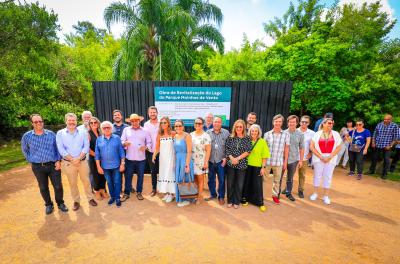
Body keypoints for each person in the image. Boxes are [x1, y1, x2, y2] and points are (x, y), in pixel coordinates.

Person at [21, 114, 68, 215]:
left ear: (43, 122)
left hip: (53, 165)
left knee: (58, 186)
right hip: (38, 167)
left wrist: (58, 161)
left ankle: (60, 203)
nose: (38, 123)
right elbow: (25, 150)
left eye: (40, 121)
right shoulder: (27, 136)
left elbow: (57, 148)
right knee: (43, 187)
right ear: (32, 123)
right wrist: (31, 160)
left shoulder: (51, 134)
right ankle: (48, 204)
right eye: (36, 122)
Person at [56, 113, 97, 211]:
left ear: (76, 121)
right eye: (69, 120)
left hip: (82, 162)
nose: (71, 122)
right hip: (69, 163)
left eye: (73, 120)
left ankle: (90, 198)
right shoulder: (60, 133)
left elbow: (86, 146)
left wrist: (78, 158)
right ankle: (76, 201)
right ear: (66, 121)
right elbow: (61, 149)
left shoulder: (83, 132)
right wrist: (72, 159)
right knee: (72, 183)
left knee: (87, 181)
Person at [309, 118, 342, 205]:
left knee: (328, 176)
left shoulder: (336, 134)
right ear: (323, 124)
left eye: (332, 123)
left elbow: (339, 147)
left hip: (330, 159)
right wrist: (320, 156)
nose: (331, 125)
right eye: (329, 123)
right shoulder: (317, 134)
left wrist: (330, 157)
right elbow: (312, 146)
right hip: (318, 158)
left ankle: (326, 196)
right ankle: (315, 193)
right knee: (317, 175)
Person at [120, 113, 152, 201]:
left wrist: (145, 147)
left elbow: (149, 142)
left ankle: (139, 192)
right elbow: (122, 140)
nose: (134, 122)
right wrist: (124, 143)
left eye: (136, 121)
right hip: (129, 158)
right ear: (130, 122)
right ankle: (126, 193)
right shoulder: (126, 130)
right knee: (128, 176)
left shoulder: (145, 131)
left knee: (140, 176)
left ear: (139, 121)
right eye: (132, 121)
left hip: (141, 159)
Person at [95, 121, 125, 207]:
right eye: (104, 128)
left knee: (117, 181)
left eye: (108, 127)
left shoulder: (117, 138)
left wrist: (122, 164)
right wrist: (98, 166)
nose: (106, 129)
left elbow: (121, 152)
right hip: (105, 167)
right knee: (109, 182)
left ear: (111, 129)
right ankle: (112, 197)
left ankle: (117, 198)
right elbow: (97, 154)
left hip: (116, 165)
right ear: (101, 129)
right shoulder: (99, 139)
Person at [225, 119, 252, 209]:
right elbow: (227, 149)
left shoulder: (247, 137)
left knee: (239, 184)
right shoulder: (230, 137)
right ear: (234, 127)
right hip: (231, 164)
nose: (239, 128)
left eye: (240, 127)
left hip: (242, 164)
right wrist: (232, 158)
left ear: (243, 127)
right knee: (230, 183)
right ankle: (230, 200)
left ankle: (236, 201)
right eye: (237, 126)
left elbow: (248, 151)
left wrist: (237, 158)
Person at [263, 114, 290, 205]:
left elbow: (286, 149)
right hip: (267, 161)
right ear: (273, 122)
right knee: (264, 179)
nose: (278, 123)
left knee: (277, 180)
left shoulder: (286, 134)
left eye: (280, 121)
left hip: (279, 162)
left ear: (282, 123)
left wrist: (285, 161)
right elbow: (264, 149)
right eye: (276, 121)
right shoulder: (267, 134)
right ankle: (261, 196)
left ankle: (275, 196)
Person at [243, 124, 270, 212]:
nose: (254, 132)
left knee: (258, 185)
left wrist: (263, 167)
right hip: (247, 165)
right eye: (252, 131)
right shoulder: (247, 140)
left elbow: (265, 156)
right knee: (247, 183)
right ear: (250, 132)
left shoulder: (262, 142)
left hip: (258, 166)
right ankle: (245, 199)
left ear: (258, 132)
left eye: (255, 131)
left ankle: (260, 203)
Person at [205, 116, 230, 205]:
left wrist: (226, 158)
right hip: (211, 161)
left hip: (221, 161)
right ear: (213, 122)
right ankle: (213, 194)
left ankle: (221, 196)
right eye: (215, 122)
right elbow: (205, 147)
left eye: (219, 122)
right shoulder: (208, 133)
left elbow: (229, 147)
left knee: (222, 179)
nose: (217, 123)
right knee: (210, 179)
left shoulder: (226, 133)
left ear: (221, 123)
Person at [367, 114, 399, 179]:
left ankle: (384, 174)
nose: (385, 120)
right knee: (374, 158)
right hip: (378, 144)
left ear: (390, 119)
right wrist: (373, 142)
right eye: (384, 119)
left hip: (387, 146)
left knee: (386, 160)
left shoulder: (395, 126)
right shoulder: (379, 124)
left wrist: (390, 145)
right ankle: (371, 170)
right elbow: (375, 134)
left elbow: (396, 137)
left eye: (387, 119)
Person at [152, 117, 176, 203]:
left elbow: (177, 145)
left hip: (171, 157)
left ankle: (172, 194)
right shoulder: (159, 135)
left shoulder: (173, 133)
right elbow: (157, 147)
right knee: (164, 174)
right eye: (161, 123)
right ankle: (167, 193)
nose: (163, 124)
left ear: (168, 123)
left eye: (165, 122)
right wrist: (154, 155)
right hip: (163, 158)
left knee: (170, 174)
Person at [281, 115, 304, 202]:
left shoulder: (300, 135)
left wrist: (301, 160)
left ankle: (288, 192)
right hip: (282, 159)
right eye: (290, 122)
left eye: (294, 122)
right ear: (288, 123)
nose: (292, 123)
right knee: (280, 177)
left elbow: (302, 148)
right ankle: (277, 193)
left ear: (297, 123)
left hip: (294, 160)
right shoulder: (282, 133)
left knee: (290, 178)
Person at [173, 120, 195, 207]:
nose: (178, 127)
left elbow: (189, 151)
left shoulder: (187, 136)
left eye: (179, 126)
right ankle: (180, 197)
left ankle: (186, 199)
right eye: (176, 126)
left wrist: (187, 165)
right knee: (179, 179)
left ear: (183, 126)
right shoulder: (175, 136)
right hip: (178, 160)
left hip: (185, 160)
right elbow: (175, 151)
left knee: (185, 179)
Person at [191, 117, 211, 204]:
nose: (197, 125)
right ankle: (195, 195)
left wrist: (206, 162)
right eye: (196, 123)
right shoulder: (190, 134)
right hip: (192, 161)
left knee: (200, 180)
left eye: (199, 123)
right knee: (194, 179)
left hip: (201, 162)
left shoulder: (206, 136)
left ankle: (199, 197)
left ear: (202, 125)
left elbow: (208, 150)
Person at [88, 117, 108, 200]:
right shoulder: (88, 134)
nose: (93, 124)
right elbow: (87, 149)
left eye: (95, 122)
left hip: (102, 158)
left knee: (102, 174)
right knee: (95, 175)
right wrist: (97, 155)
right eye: (91, 123)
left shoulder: (101, 133)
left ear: (98, 123)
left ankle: (103, 190)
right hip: (93, 158)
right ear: (89, 124)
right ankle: (97, 191)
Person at [297, 115, 315, 198]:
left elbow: (314, 145)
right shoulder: (295, 131)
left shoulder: (312, 133)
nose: (304, 123)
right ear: (300, 122)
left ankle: (301, 190)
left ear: (309, 123)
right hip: (293, 157)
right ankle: (287, 188)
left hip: (304, 158)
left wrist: (311, 153)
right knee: (290, 174)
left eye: (306, 122)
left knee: (302, 175)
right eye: (302, 121)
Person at [143, 106, 160, 196]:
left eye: (154, 112)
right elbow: (144, 137)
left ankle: (163, 188)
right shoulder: (146, 124)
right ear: (148, 114)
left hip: (162, 151)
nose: (152, 114)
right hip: (150, 151)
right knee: (153, 171)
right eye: (151, 112)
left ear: (157, 113)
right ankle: (154, 188)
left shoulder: (161, 123)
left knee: (162, 170)